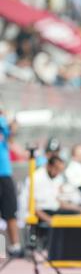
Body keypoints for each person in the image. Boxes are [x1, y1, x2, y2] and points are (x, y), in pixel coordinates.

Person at [0, 105, 22, 256]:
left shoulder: (2, 121)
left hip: (4, 173)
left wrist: (11, 120)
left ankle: (15, 247)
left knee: (10, 212)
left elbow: (12, 133)